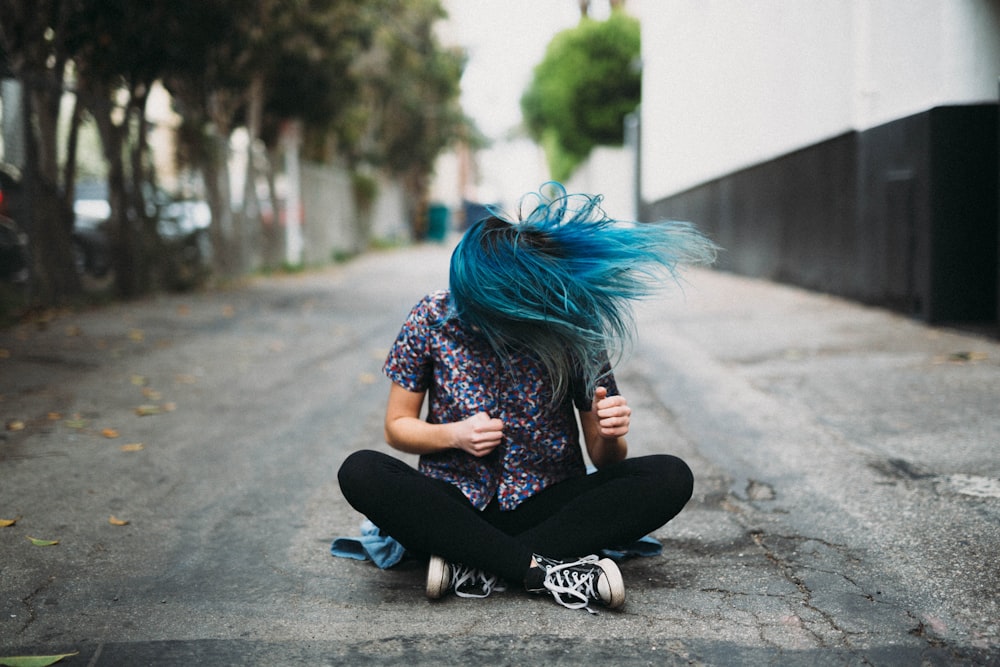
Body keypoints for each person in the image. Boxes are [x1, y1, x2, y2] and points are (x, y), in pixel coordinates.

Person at [338, 183, 717, 612]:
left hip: (549, 505)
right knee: (361, 470)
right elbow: (397, 427)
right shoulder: (431, 316)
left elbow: (606, 457)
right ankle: (541, 569)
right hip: (455, 504)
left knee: (670, 476)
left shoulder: (572, 326)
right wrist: (454, 435)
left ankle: (476, 562)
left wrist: (612, 435)